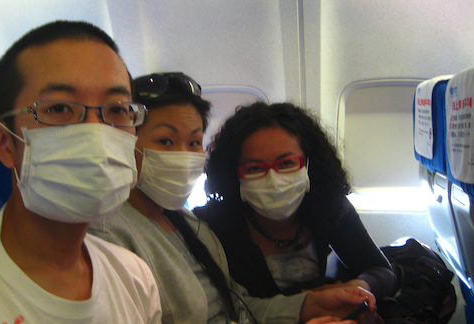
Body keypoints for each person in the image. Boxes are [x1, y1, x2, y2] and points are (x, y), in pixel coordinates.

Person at [0, 20, 162, 323]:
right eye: (59, 108)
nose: (96, 134)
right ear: (5, 144)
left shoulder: (135, 277)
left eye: (117, 110)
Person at [89, 73, 377, 324]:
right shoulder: (108, 235)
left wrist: (308, 306)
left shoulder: (187, 223)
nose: (183, 155)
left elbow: (238, 307)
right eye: (166, 141)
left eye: (193, 142)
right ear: (126, 141)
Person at [193, 102, 396, 303]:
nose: (274, 180)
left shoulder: (328, 206)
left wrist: (359, 287)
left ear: (309, 164)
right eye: (254, 168)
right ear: (234, 175)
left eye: (286, 163)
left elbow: (382, 270)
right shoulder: (212, 227)